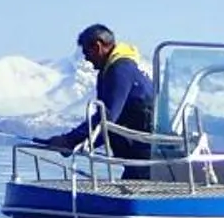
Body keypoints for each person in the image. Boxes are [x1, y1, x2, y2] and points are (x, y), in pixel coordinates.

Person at [39, 23, 158, 171]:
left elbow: (107, 117)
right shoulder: (110, 70)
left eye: (86, 52)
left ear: (97, 47)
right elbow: (107, 123)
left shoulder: (120, 70)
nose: (86, 58)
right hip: (136, 155)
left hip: (144, 156)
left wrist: (69, 140)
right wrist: (78, 143)